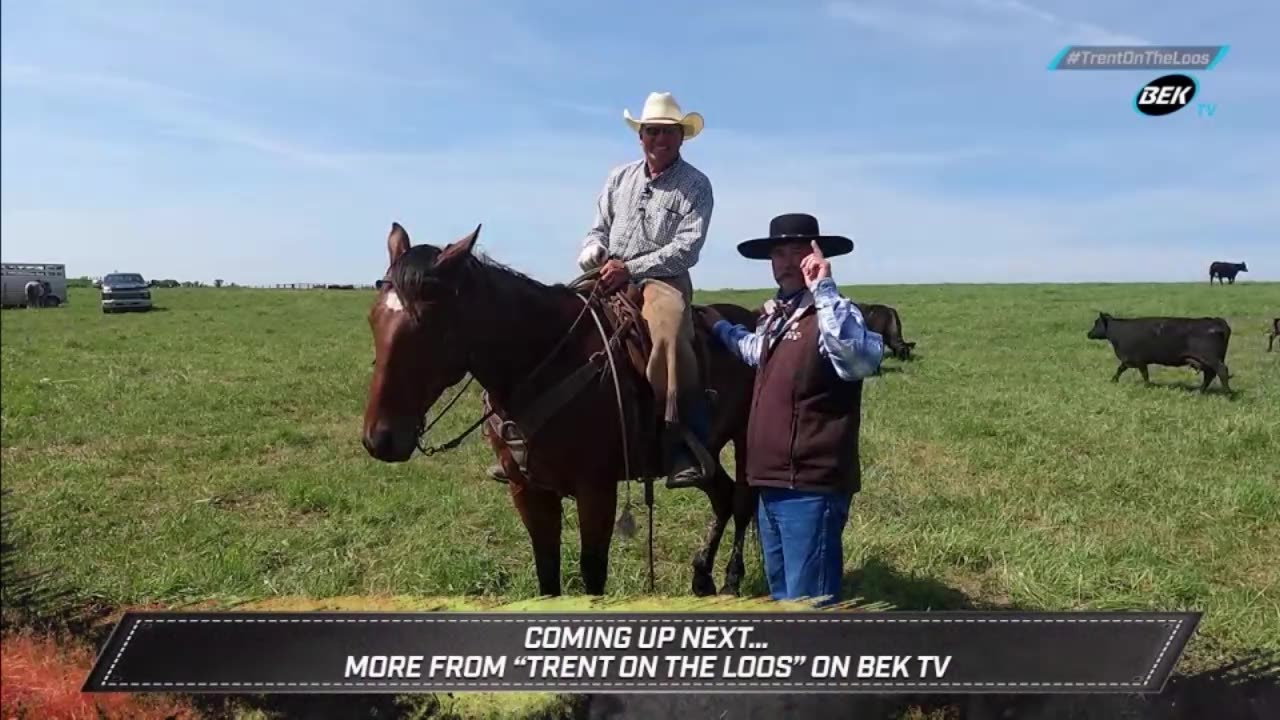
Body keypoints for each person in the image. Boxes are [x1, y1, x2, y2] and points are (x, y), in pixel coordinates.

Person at [488, 91, 715, 489]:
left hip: (661, 279)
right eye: (652, 132)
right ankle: (529, 437)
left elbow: (687, 247)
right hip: (607, 272)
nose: (660, 139)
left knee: (667, 333)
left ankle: (679, 439)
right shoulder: (619, 178)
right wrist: (591, 249)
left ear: (682, 137)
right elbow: (598, 227)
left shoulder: (695, 185)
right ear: (640, 136)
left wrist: (632, 269)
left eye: (669, 133)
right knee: (553, 324)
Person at [697, 213, 883, 604]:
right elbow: (756, 353)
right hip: (771, 482)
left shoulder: (836, 312)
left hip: (810, 485)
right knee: (784, 596)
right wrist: (719, 327)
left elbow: (859, 361)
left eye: (796, 251)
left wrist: (824, 288)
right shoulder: (778, 318)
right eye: (777, 253)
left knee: (809, 602)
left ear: (816, 255)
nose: (784, 261)